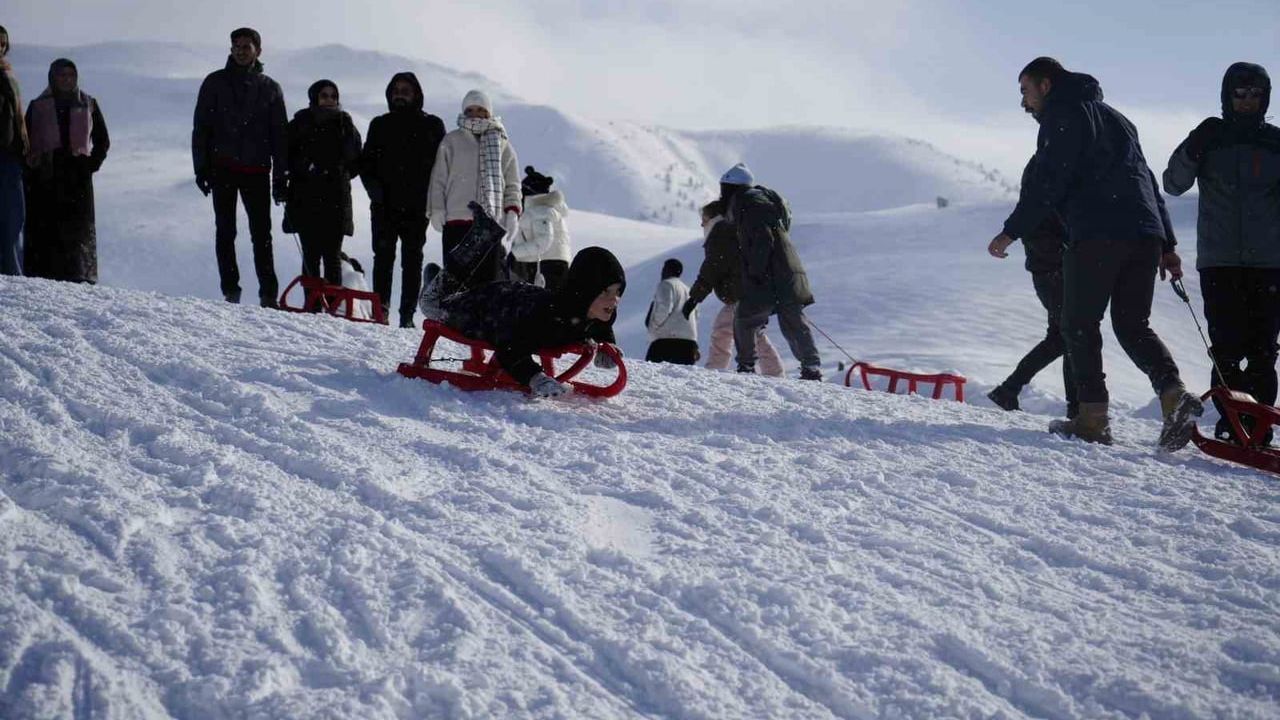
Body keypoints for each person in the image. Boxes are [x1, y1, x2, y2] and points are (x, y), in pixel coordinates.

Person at [988, 57, 1201, 449]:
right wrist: (1167, 244)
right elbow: (1147, 182)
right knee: (1133, 324)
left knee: (1077, 324)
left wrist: (1011, 231)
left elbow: (1050, 180)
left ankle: (1092, 419)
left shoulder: (1063, 115)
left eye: (1025, 91)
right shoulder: (1118, 119)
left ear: (1045, 85)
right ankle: (1173, 394)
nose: (1024, 102)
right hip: (1144, 234)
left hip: (1098, 231)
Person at [1163, 62, 1280, 446]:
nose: (1247, 101)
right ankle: (1232, 426)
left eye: (1255, 95)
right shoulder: (1210, 137)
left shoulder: (1275, 142)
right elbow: (1173, 183)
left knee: (1263, 353)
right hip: (1220, 262)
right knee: (1226, 351)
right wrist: (1193, 147)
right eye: (1239, 94)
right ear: (1227, 96)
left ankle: (1258, 431)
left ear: (1265, 99)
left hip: (1270, 264)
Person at [420, 246, 625, 397]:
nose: (614, 300)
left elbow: (603, 327)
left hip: (509, 298)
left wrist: (607, 345)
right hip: (483, 308)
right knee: (435, 306)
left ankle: (446, 286)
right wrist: (535, 377)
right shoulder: (548, 318)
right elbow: (509, 349)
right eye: (606, 292)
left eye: (617, 292)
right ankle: (435, 281)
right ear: (586, 292)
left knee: (462, 295)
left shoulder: (597, 313)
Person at [192, 27, 287, 307]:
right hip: (222, 168)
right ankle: (230, 290)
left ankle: (268, 294)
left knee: (262, 234)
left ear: (258, 50)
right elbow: (201, 128)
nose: (241, 51)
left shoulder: (270, 88)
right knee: (225, 231)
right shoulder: (215, 83)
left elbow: (279, 136)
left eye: (247, 46)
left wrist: (280, 177)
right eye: (237, 46)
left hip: (257, 170)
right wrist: (201, 168)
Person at [986, 157, 1076, 418]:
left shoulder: (1052, 164)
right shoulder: (1051, 164)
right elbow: (1033, 207)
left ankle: (1010, 390)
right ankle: (1076, 408)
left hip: (1052, 263)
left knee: (1065, 336)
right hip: (1053, 264)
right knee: (1071, 335)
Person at [718, 162, 823, 380]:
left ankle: (746, 366)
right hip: (788, 270)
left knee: (745, 318)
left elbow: (762, 240)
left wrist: (756, 272)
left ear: (732, 189)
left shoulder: (748, 204)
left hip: (769, 274)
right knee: (793, 319)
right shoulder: (765, 202)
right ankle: (811, 366)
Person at [360, 72, 446, 328]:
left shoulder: (432, 125)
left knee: (412, 260)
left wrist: (432, 198)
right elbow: (366, 164)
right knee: (382, 258)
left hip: (417, 206)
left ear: (416, 95)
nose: (400, 95)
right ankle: (380, 311)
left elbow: (442, 166)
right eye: (396, 91)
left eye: (405, 91)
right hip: (384, 205)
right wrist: (375, 193)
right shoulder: (379, 124)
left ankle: (407, 316)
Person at [23, 58, 109, 284]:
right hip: (45, 177)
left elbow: (102, 140)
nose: (67, 80)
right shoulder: (38, 105)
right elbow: (25, 141)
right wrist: (31, 165)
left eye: (71, 75)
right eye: (62, 75)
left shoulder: (88, 104)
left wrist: (92, 164)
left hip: (77, 178)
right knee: (47, 228)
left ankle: (76, 276)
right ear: (52, 78)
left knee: (76, 229)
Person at [428, 89, 520, 290]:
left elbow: (512, 184)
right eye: (470, 110)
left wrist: (512, 212)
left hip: (490, 225)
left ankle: (483, 311)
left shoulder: (503, 145)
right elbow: (438, 178)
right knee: (456, 281)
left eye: (480, 109)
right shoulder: (451, 141)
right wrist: (437, 208)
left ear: (489, 112)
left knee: (487, 283)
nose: (475, 114)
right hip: (457, 221)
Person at [682, 200, 784, 376]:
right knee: (749, 332)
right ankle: (774, 372)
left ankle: (716, 369)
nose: (702, 224)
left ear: (713, 218)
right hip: (748, 293)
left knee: (728, 331)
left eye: (704, 219)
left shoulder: (720, 233)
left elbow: (712, 267)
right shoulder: (733, 230)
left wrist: (694, 297)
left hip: (741, 295)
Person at [283, 79, 362, 287]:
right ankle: (312, 303)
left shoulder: (345, 124)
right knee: (310, 255)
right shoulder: (300, 123)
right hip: (305, 197)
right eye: (324, 95)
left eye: (333, 96)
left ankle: (333, 302)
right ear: (314, 98)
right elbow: (286, 157)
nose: (329, 100)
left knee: (332, 256)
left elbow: (355, 161)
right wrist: (305, 168)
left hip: (335, 199)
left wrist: (336, 173)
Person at [509, 166, 571, 291]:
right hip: (554, 265)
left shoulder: (540, 211)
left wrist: (514, 253)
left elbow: (543, 241)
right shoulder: (549, 210)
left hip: (547, 266)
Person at [0, 25, 28, 276]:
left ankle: (13, 274)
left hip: (10, 155)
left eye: (2, 44)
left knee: (13, 218)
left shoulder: (8, 75)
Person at [644, 258, 699, 364]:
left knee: (652, 370)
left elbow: (664, 307)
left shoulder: (666, 284)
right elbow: (696, 314)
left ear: (667, 270)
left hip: (667, 340)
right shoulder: (688, 290)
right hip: (689, 342)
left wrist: (654, 327)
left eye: (663, 269)